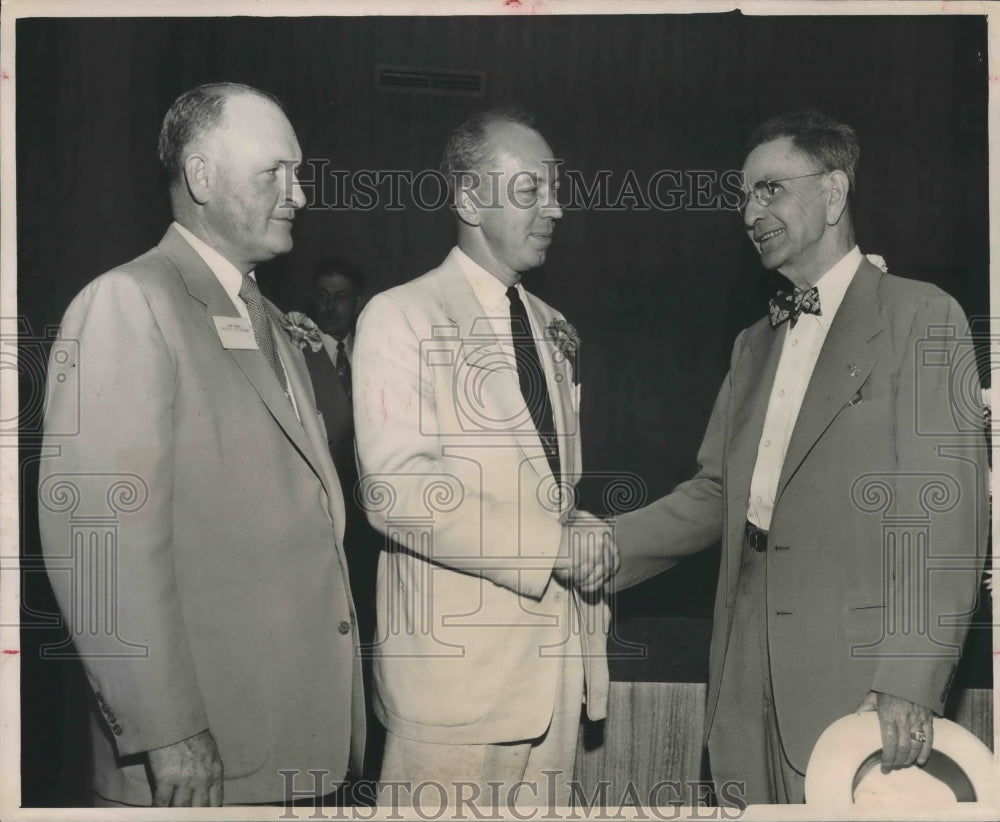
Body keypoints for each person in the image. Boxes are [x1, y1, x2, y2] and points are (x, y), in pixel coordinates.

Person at [613, 110, 988, 805]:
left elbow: (947, 518)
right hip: (742, 675)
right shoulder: (752, 344)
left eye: (770, 189)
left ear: (834, 193)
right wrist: (602, 545)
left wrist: (909, 679)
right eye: (743, 196)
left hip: (857, 680)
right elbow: (716, 493)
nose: (749, 212)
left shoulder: (921, 316)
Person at [37, 82, 364, 807]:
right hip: (195, 757)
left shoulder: (268, 319)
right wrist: (165, 728)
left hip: (281, 740)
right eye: (275, 172)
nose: (299, 194)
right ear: (201, 177)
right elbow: (97, 538)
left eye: (299, 173)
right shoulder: (129, 301)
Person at [352, 108, 618, 810]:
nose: (555, 209)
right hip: (456, 690)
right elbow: (398, 492)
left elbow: (547, 489)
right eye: (531, 190)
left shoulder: (553, 326)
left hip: (552, 679)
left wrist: (580, 526)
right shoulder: (401, 315)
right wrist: (553, 548)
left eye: (555, 190)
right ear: (469, 200)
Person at [298, 256, 383, 784]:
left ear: (359, 303)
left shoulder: (377, 350)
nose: (331, 307)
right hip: (321, 527)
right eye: (322, 296)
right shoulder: (295, 350)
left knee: (372, 640)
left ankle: (368, 762)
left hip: (376, 530)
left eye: (342, 297)